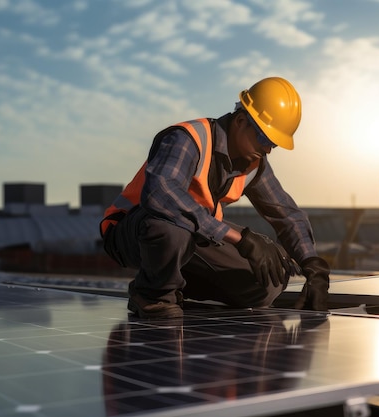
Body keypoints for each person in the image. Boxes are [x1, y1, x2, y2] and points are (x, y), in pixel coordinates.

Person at [100, 76, 330, 319]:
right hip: (134, 230)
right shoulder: (188, 139)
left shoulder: (253, 163)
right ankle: (151, 295)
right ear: (241, 120)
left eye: (274, 144)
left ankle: (174, 282)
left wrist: (313, 265)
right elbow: (161, 195)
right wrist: (240, 239)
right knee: (172, 226)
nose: (268, 149)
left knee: (268, 280)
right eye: (265, 139)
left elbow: (287, 214)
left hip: (192, 236)